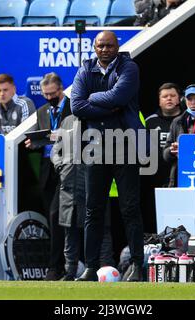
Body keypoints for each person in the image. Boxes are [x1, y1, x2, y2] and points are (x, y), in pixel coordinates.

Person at [71, 31, 145, 282]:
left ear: (117, 46)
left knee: (130, 208)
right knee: (93, 209)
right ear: (94, 47)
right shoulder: (85, 70)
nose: (104, 49)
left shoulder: (130, 67)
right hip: (95, 147)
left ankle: (137, 265)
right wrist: (106, 104)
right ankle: (91, 267)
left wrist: (92, 98)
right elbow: (76, 106)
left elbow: (120, 97)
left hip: (125, 144)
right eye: (100, 45)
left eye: (109, 45)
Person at [51, 115, 115, 280]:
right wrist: (61, 165)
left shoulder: (103, 118)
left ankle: (104, 270)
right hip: (69, 184)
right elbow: (56, 150)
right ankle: (70, 271)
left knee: (100, 227)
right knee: (69, 228)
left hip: (94, 182)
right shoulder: (67, 121)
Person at [24, 72, 71, 281]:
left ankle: (56, 267)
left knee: (56, 215)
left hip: (68, 165)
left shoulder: (73, 107)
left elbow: (79, 134)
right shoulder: (42, 110)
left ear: (60, 90)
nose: (49, 97)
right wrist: (33, 143)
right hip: (47, 169)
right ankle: (58, 265)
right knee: (53, 220)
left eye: (52, 93)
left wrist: (53, 136)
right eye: (45, 94)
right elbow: (40, 135)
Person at [143, 83, 182, 232]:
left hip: (179, 178)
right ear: (159, 101)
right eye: (165, 96)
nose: (169, 99)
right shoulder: (149, 121)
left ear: (179, 99)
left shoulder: (185, 120)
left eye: (172, 96)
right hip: (155, 179)